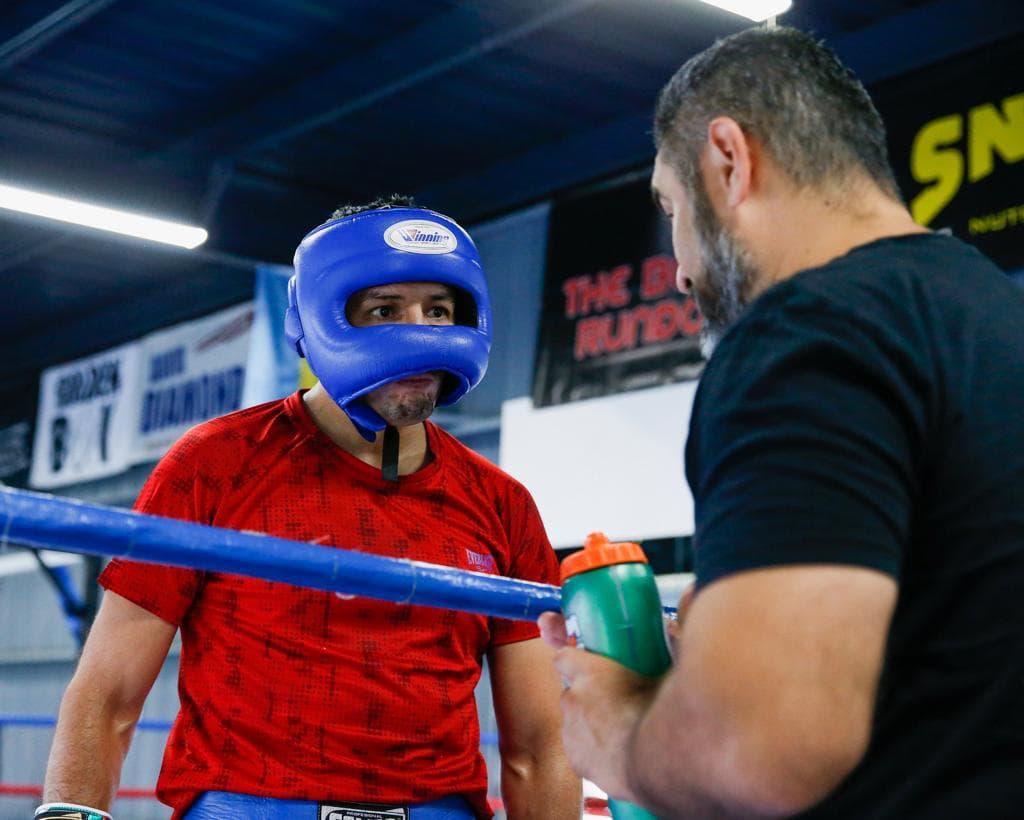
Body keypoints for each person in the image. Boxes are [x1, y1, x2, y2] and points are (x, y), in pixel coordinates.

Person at [540, 25, 1024, 819]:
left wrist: (616, 728)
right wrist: (723, 659)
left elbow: (757, 751)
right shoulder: (995, 315)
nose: (678, 268)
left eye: (670, 206)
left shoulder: (803, 335)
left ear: (729, 159)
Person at [40, 196, 581, 820]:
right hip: (248, 806)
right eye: (385, 310)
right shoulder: (216, 463)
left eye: (438, 310)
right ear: (318, 317)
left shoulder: (501, 503)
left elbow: (540, 745)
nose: (421, 333)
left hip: (438, 807)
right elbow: (107, 696)